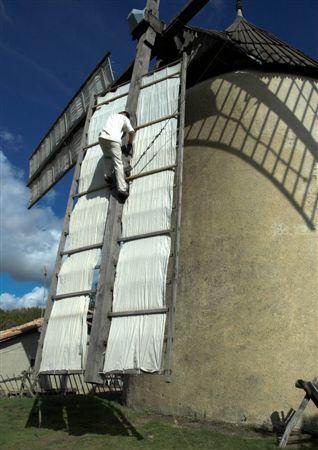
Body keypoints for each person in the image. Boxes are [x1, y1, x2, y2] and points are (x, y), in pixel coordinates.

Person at [98, 111, 135, 197]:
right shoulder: (125, 118)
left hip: (102, 138)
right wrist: (129, 143)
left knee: (107, 157)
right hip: (114, 139)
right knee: (118, 163)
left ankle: (107, 175)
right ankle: (122, 189)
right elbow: (132, 132)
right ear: (126, 115)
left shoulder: (112, 115)